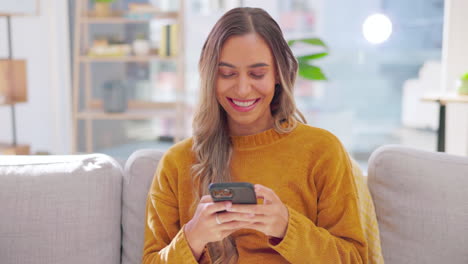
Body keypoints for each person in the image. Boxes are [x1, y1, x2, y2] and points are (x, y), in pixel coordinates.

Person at [142, 7, 369, 264]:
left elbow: (354, 259)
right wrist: (193, 238)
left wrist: (287, 228)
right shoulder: (177, 163)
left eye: (257, 74)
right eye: (227, 73)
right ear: (209, 77)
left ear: (278, 75)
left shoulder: (321, 150)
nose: (242, 89)